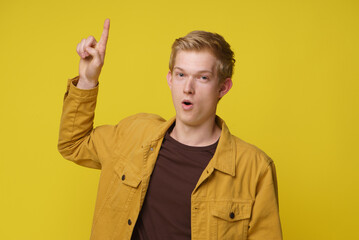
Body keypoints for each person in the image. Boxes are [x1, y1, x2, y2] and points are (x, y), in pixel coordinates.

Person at [58, 18, 282, 240]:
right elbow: (73, 144)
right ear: (170, 79)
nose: (188, 88)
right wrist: (88, 80)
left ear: (223, 87)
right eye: (181, 74)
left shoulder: (254, 168)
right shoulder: (134, 134)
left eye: (203, 78)